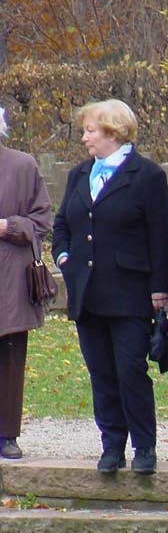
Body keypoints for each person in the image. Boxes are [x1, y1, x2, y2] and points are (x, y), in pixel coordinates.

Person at [52, 99, 168, 475]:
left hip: (130, 294)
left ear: (114, 132)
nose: (84, 137)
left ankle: (145, 447)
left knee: (130, 370)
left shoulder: (147, 176)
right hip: (88, 294)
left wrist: (159, 289)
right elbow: (62, 226)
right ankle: (112, 446)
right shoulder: (79, 174)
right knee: (101, 372)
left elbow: (160, 237)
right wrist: (64, 259)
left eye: (90, 130)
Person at [0, 107, 52, 459]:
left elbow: (42, 219)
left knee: (9, 359)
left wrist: (7, 227)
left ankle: (7, 434)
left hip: (9, 280)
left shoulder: (22, 165)